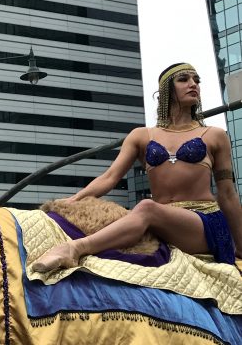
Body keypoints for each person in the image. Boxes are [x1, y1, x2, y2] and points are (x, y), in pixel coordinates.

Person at [32, 63, 242, 272]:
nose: (193, 84)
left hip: (203, 222)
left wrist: (241, 246)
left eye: (197, 80)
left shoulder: (215, 135)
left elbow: (227, 194)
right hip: (161, 222)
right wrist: (73, 200)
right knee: (128, 215)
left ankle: (74, 249)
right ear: (166, 89)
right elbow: (109, 178)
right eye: (183, 79)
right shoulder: (140, 135)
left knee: (146, 207)